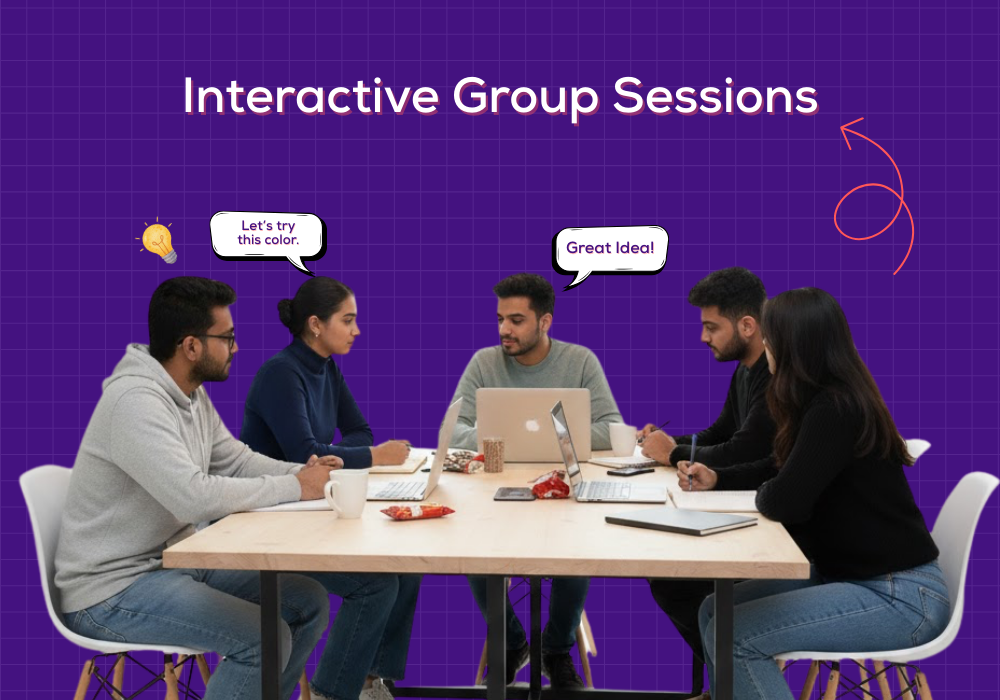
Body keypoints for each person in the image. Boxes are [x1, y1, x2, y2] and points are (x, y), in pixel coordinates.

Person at [54, 277, 337, 700]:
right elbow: (193, 496)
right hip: (112, 589)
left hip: (172, 563)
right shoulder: (136, 402)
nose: (236, 348)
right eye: (228, 338)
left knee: (307, 601)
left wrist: (308, 473)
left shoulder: (188, 393)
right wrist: (296, 488)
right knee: (263, 639)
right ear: (191, 346)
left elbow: (235, 460)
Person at [685, 288, 947, 700]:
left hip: (898, 596)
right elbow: (778, 471)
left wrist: (775, 485)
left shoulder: (836, 410)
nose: (765, 347)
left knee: (734, 637)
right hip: (848, 575)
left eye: (770, 338)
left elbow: (783, 498)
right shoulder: (820, 401)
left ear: (793, 346)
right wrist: (719, 478)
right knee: (713, 610)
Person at [241, 276, 421, 700]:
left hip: (314, 509)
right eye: (349, 320)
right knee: (376, 584)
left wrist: (343, 454)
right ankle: (331, 693)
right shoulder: (281, 374)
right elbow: (306, 455)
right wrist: (373, 456)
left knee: (408, 566)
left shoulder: (327, 368)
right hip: (271, 520)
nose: (357, 330)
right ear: (316, 325)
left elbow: (358, 431)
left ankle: (369, 681)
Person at [449, 273, 624, 689]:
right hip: (494, 493)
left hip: (564, 490)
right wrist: (503, 431)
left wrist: (551, 435)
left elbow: (611, 427)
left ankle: (556, 647)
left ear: (544, 322)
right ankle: (511, 642)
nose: (504, 330)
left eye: (516, 320)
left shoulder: (580, 361)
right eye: (500, 319)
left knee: (574, 552)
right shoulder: (484, 363)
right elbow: (454, 430)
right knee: (473, 552)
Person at [639, 267, 776, 671]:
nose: (703, 337)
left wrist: (672, 453)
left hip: (771, 525)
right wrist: (666, 443)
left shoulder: (772, 374)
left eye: (711, 327)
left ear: (747, 325)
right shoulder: (746, 368)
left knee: (672, 584)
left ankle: (730, 680)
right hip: (749, 500)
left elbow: (744, 447)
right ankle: (726, 681)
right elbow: (721, 431)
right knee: (669, 580)